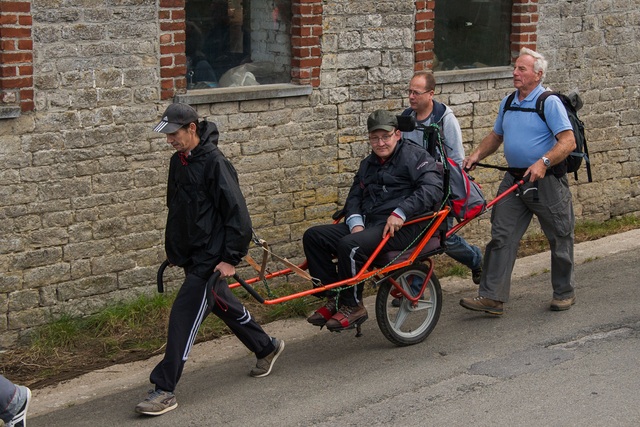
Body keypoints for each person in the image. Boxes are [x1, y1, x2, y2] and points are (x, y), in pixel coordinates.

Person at [136, 103, 285, 416]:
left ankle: (164, 388)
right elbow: (176, 210)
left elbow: (238, 216)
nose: (169, 140)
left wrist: (231, 259)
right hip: (194, 255)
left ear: (192, 129)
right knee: (223, 304)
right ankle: (266, 347)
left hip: (212, 259)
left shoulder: (215, 163)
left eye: (173, 134)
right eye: (166, 135)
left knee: (182, 318)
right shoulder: (178, 163)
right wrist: (176, 252)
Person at [459, 47, 577, 316]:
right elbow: (497, 135)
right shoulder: (509, 101)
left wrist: (543, 162)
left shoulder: (549, 102)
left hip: (546, 181)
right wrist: (477, 154)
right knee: (501, 235)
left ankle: (564, 292)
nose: (515, 73)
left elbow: (568, 141)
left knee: (560, 236)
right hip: (515, 180)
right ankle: (492, 297)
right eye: (515, 68)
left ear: (538, 75)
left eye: (521, 69)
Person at [303, 110, 444, 331]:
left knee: (350, 245)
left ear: (397, 134)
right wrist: (355, 221)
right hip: (370, 223)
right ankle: (334, 297)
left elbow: (432, 189)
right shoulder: (368, 163)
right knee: (314, 236)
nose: (380, 143)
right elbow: (354, 197)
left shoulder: (415, 157)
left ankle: (353, 305)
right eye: (374, 138)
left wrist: (401, 212)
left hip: (403, 226)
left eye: (385, 137)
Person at [402, 71, 483, 284]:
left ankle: (475, 259)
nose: (411, 97)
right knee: (414, 235)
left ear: (430, 94)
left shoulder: (445, 119)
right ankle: (412, 284)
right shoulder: (406, 118)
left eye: (416, 93)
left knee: (440, 238)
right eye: (409, 92)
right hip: (413, 189)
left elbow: (456, 160)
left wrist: (442, 189)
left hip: (440, 190)